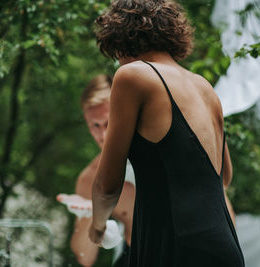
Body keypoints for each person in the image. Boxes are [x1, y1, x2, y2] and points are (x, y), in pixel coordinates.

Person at [89, 0, 244, 266]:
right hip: (224, 244)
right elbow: (225, 177)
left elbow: (107, 186)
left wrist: (98, 225)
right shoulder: (205, 88)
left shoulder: (132, 76)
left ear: (120, 37)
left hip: (174, 246)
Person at [69, 75, 135, 267]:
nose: (103, 134)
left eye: (108, 122)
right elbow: (85, 257)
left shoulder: (157, 152)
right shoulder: (90, 178)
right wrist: (90, 214)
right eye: (95, 125)